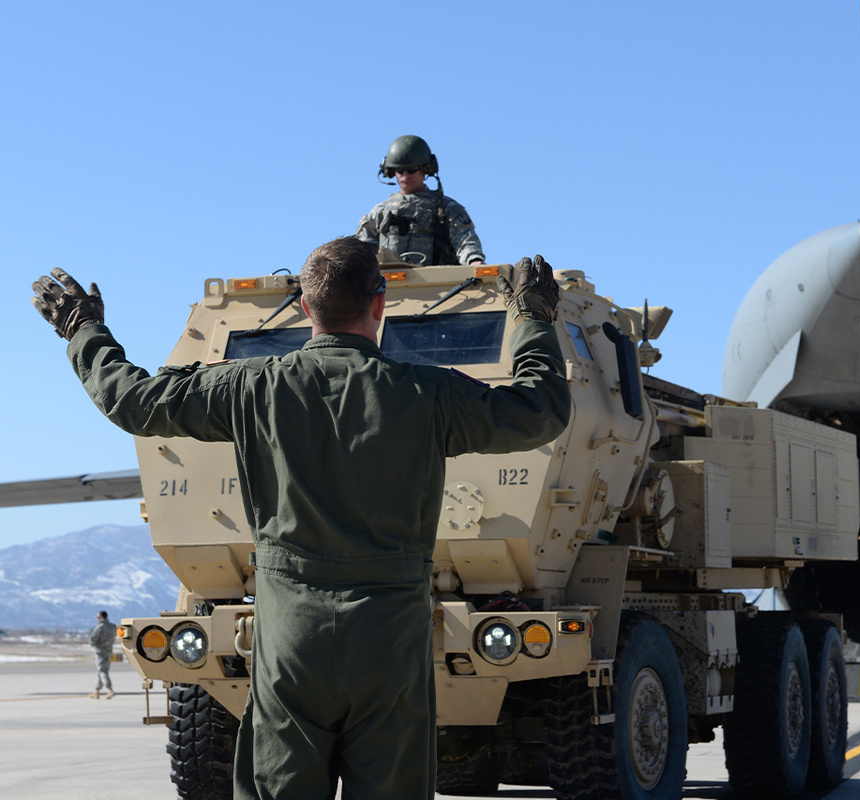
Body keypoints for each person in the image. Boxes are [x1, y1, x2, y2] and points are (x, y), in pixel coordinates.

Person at [32, 240, 570, 800]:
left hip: (291, 638)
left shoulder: (252, 386)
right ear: (379, 303)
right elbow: (540, 411)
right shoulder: (426, 392)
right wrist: (533, 320)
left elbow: (135, 401)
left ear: (307, 309)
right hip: (389, 641)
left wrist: (82, 329)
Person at [355, 134, 486, 266]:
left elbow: (465, 240)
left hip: (438, 283)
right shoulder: (381, 212)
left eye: (411, 170)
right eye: (400, 170)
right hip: (389, 284)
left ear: (426, 169)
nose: (405, 176)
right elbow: (360, 249)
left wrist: (474, 260)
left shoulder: (446, 208)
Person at [88, 610, 117, 699]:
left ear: (101, 617)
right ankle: (96, 691)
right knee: (102, 670)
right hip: (109, 650)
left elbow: (93, 639)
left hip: (100, 651)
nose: (97, 619)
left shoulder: (99, 627)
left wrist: (94, 644)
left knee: (102, 671)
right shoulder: (112, 626)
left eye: (98, 617)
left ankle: (110, 689)